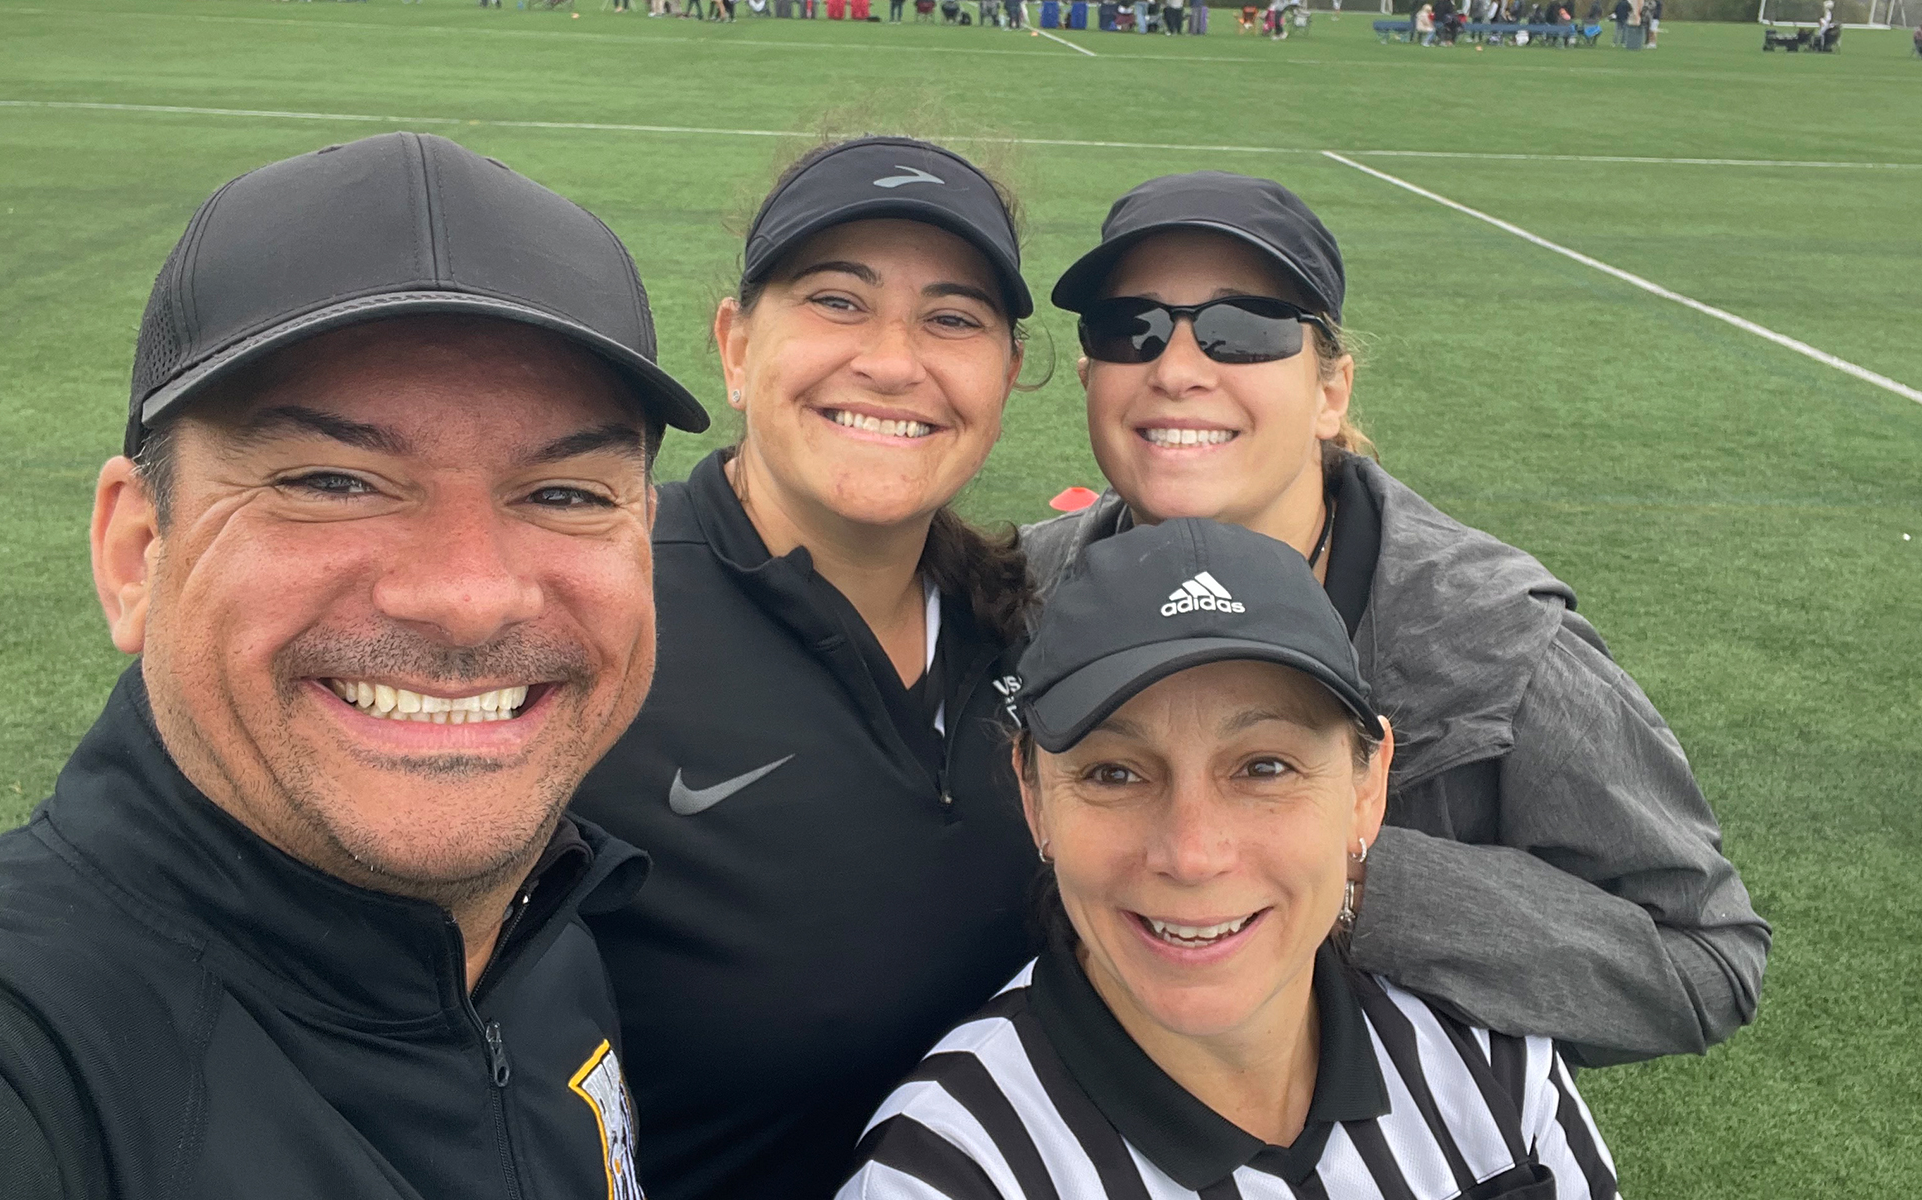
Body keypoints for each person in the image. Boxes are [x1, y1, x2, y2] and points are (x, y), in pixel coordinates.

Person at [0, 133, 711, 1197]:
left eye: (566, 493)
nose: (469, 596)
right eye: (334, 480)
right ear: (135, 553)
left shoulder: (539, 932)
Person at [1023, 172, 1769, 1067]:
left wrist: (1345, 874)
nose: (1178, 371)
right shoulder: (1020, 587)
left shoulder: (1496, 636)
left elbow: (1705, 961)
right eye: (1129, 328)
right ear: (1092, 376)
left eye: (1245, 329)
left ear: (1331, 391)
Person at [842, 519, 1619, 1199]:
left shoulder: (1493, 1058)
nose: (1193, 853)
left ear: (1366, 788)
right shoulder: (952, 1171)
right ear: (1036, 799)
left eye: (1264, 767)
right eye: (1115, 773)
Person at [567, 136, 1046, 1200]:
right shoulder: (598, 629)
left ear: (1006, 374)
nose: (891, 359)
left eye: (953, 318)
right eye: (837, 301)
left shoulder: (1027, 631)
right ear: (735, 347)